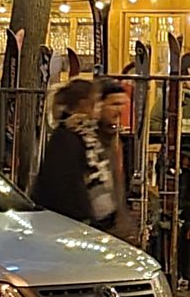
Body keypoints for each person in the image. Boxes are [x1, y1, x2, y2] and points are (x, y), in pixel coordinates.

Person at [31, 79, 118, 231]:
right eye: (96, 102)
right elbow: (67, 186)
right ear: (84, 104)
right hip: (65, 227)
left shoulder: (86, 135)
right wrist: (86, 219)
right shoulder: (68, 137)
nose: (99, 107)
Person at [94, 78, 143, 247]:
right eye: (114, 104)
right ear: (99, 105)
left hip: (112, 232)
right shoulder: (86, 141)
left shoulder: (115, 141)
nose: (120, 110)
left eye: (123, 104)